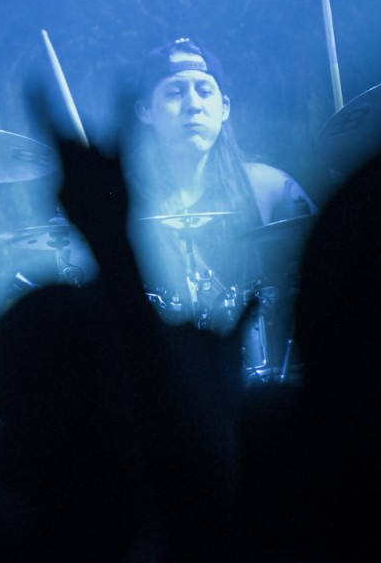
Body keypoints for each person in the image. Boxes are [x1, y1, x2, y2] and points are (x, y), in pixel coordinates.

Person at [128, 38, 316, 365]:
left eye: (204, 91)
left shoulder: (269, 189)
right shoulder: (126, 210)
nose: (193, 105)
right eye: (175, 92)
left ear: (224, 108)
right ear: (145, 110)